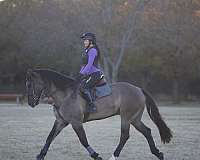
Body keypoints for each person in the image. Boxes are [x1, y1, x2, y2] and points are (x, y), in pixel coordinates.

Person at [77, 32, 104, 113]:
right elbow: (83, 65)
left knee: (83, 87)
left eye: (86, 40)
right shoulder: (86, 50)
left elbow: (89, 64)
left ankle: (92, 106)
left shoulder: (93, 50)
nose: (84, 42)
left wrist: (83, 73)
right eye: (84, 40)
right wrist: (79, 74)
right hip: (88, 74)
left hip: (95, 74)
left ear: (91, 41)